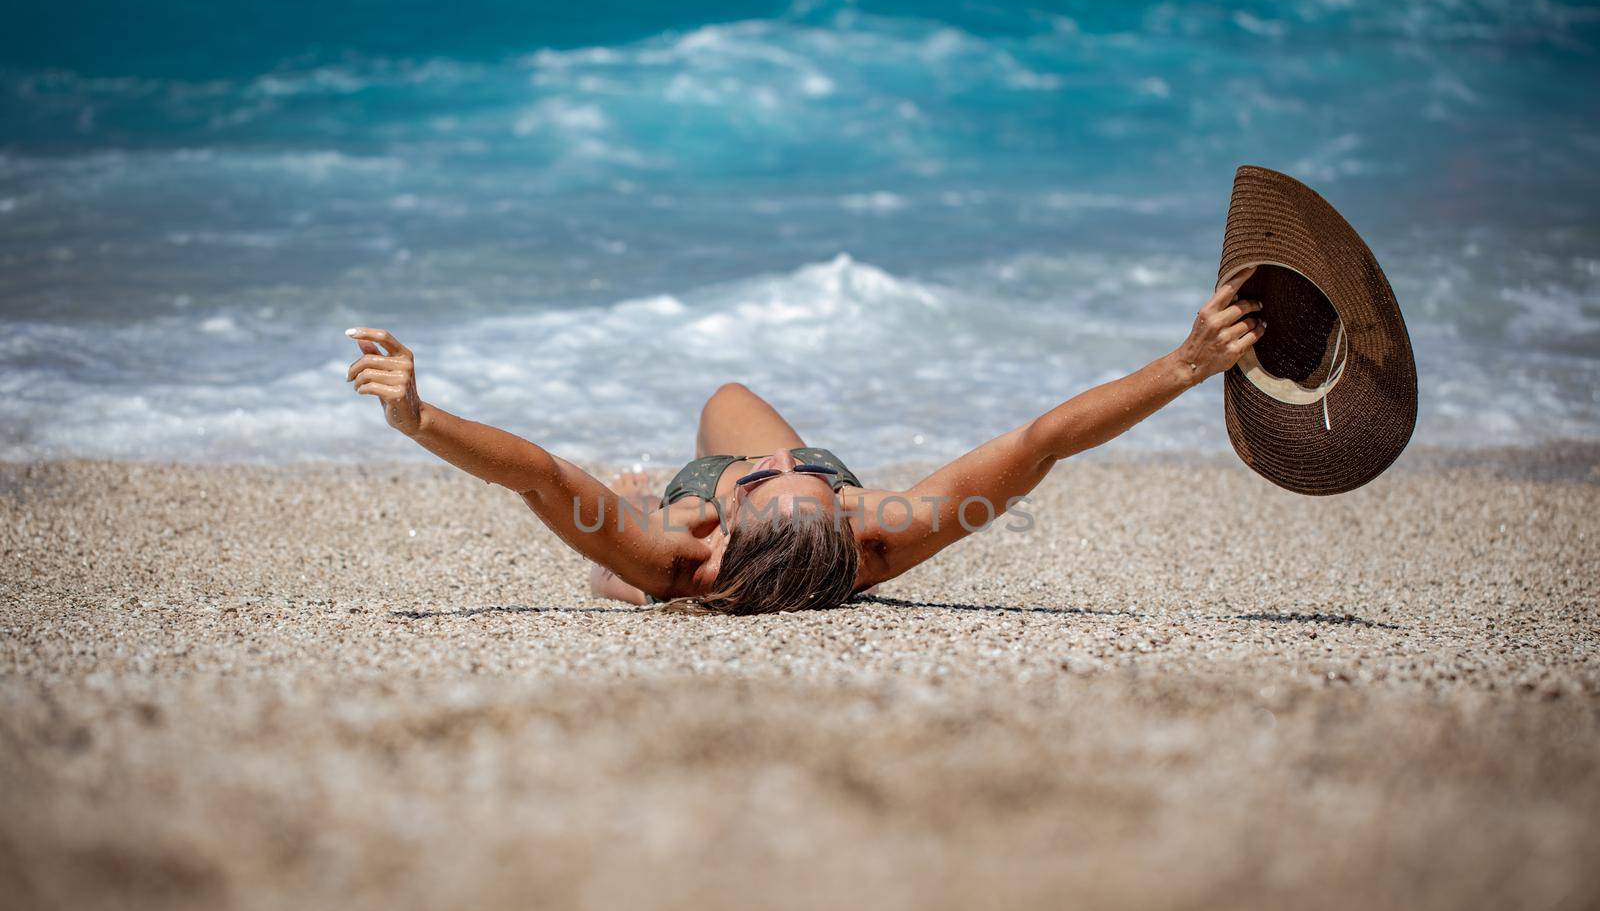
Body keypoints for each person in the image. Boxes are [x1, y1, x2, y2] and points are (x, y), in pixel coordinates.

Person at [345, 266, 1264, 614]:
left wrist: (420, 418)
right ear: (846, 517)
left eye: (768, 477)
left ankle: (622, 531)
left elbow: (537, 475)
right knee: (731, 392)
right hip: (780, 538)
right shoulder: (879, 530)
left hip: (673, 541)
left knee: (618, 572)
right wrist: (1188, 362)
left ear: (724, 528)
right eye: (805, 474)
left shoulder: (684, 552)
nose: (774, 459)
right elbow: (1043, 440)